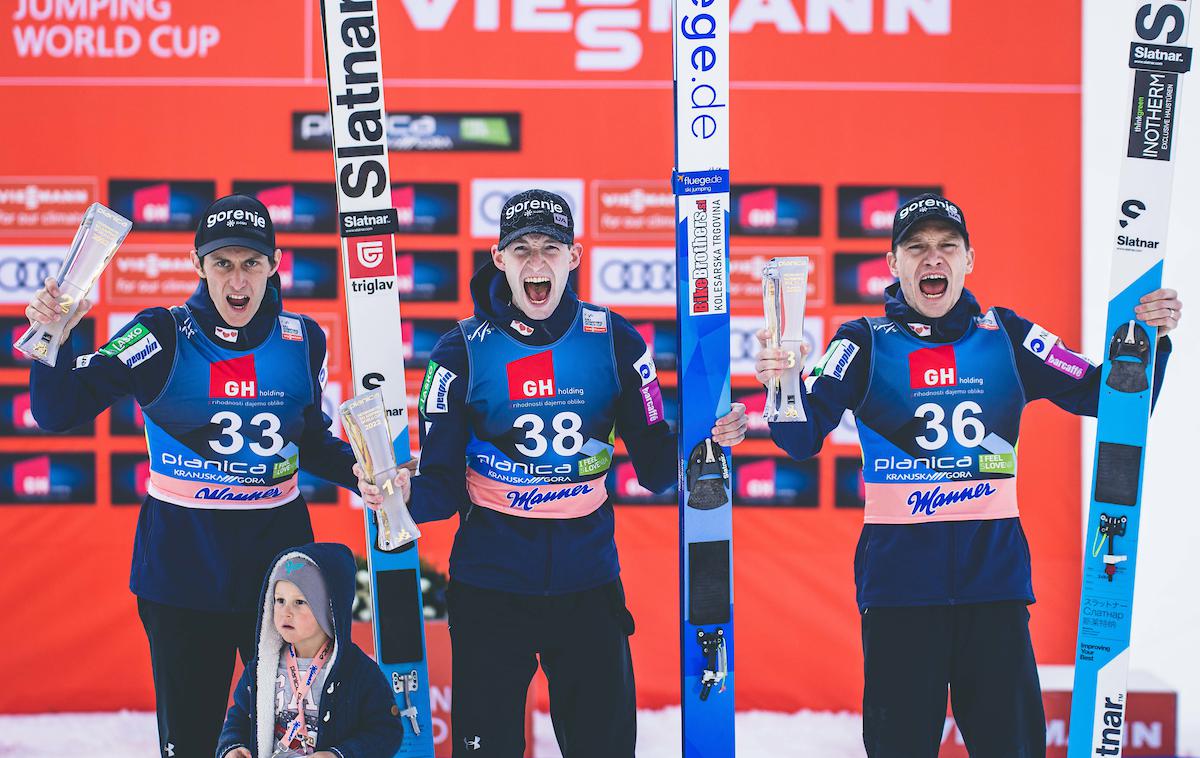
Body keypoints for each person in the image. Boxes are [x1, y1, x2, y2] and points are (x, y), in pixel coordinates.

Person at [754, 193, 1182, 757]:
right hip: (900, 595)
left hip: (995, 592)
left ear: (968, 259)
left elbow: (1110, 397)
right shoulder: (860, 343)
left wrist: (1152, 337)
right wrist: (780, 383)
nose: (933, 259)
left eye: (946, 247)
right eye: (916, 248)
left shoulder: (1008, 336)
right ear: (893, 264)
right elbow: (799, 437)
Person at [356, 189, 747, 758]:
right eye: (522, 249)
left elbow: (659, 470)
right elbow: (439, 491)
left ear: (575, 256)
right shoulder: (458, 352)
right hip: (491, 585)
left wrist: (707, 437)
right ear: (500, 258)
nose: (536, 263)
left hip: (586, 582)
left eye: (550, 248)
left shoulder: (614, 341)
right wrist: (393, 494)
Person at [25, 194, 360, 758]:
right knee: (194, 738)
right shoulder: (159, 334)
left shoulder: (304, 338)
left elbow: (310, 441)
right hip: (182, 562)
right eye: (222, 262)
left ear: (275, 265)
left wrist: (369, 474)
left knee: (292, 735)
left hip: (278, 564)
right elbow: (61, 412)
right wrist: (53, 338)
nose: (237, 280)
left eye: (251, 263)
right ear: (197, 264)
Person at [216, 542, 404, 758]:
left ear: (329, 609)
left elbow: (386, 731)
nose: (286, 612)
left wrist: (338, 755)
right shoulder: (260, 669)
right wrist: (233, 747)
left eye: (299, 602)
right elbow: (238, 719)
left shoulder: (357, 671)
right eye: (279, 600)